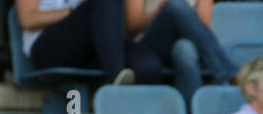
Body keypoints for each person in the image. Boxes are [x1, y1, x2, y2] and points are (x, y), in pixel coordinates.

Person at [15, 0, 161, 86]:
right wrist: (72, 12)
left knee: (148, 65)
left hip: (90, 47)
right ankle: (116, 79)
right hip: (47, 46)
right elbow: (28, 20)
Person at [124, 0, 235, 108]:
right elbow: (131, 26)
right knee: (175, 5)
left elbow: (204, 27)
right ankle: (231, 74)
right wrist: (158, 13)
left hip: (188, 45)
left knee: (184, 49)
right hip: (151, 48)